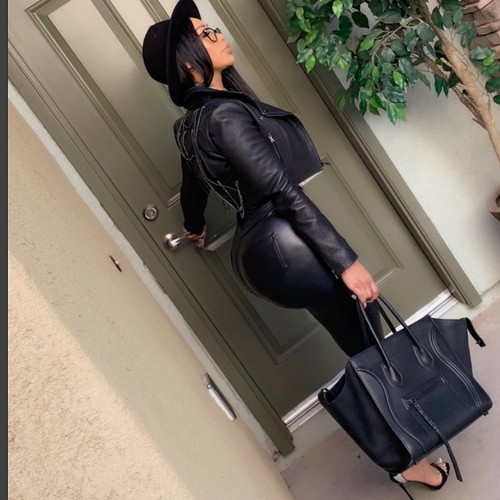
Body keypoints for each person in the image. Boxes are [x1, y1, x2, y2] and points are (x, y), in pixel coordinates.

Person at [142, 0, 449, 493]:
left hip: (261, 254)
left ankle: (407, 440)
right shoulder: (223, 115)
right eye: (206, 33)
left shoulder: (190, 125)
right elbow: (283, 192)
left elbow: (193, 187)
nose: (218, 35)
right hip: (285, 243)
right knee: (367, 342)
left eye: (213, 28)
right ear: (187, 62)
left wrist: (194, 226)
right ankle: (403, 456)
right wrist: (345, 261)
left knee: (359, 337)